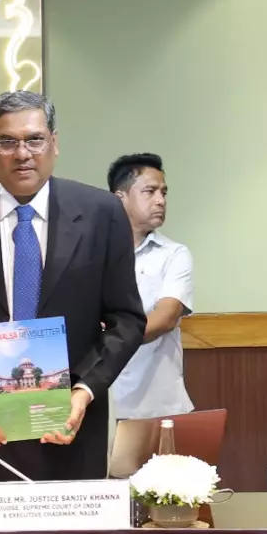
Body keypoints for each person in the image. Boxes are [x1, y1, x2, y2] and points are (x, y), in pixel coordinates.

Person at [0, 90, 146, 489]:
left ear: (54, 143)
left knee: (70, 532)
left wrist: (83, 391)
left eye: (35, 139)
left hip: (70, 429)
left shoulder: (101, 213)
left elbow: (127, 319)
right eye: (7, 142)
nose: (22, 154)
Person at [107, 152, 195, 422]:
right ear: (120, 197)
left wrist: (108, 339)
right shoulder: (94, 253)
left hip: (158, 406)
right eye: (150, 191)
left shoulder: (174, 254)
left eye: (163, 192)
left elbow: (166, 317)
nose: (161, 200)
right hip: (102, 403)